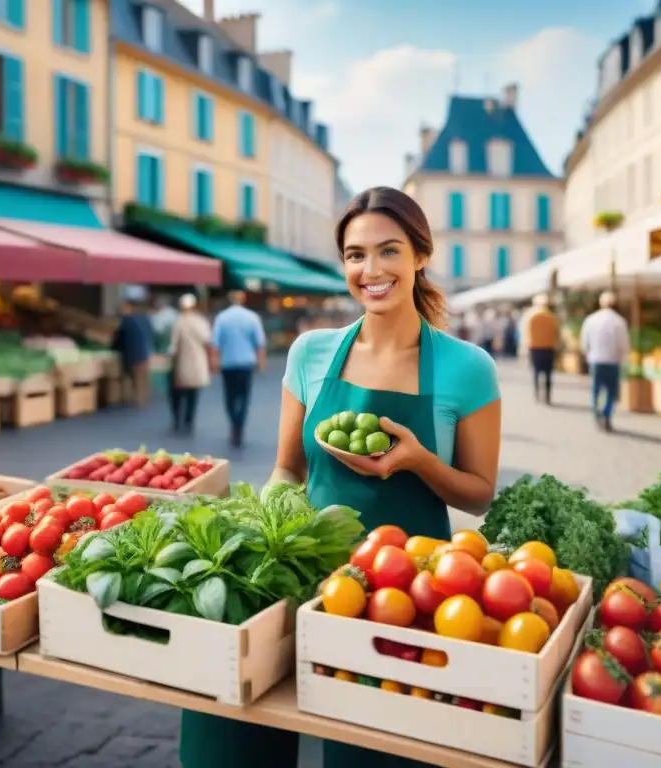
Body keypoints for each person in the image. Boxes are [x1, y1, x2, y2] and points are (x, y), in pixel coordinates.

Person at [179, 187, 503, 768]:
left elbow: (479, 496)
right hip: (306, 574)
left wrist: (419, 461)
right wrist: (262, 520)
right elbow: (287, 467)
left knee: (373, 756)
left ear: (419, 256)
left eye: (388, 251)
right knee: (237, 733)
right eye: (355, 255)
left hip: (407, 594)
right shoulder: (311, 353)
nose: (371, 270)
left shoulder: (467, 367)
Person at [211, 290, 267, 447]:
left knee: (229, 396)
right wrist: (261, 363)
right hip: (245, 364)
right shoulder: (252, 317)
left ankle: (234, 420)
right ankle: (239, 424)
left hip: (227, 364)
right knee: (243, 395)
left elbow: (215, 344)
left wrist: (214, 362)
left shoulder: (221, 318)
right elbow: (259, 343)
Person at [580, 291, 631, 432]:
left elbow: (584, 341)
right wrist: (624, 357)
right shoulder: (619, 321)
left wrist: (587, 354)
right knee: (611, 391)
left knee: (596, 389)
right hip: (613, 361)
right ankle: (607, 414)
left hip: (596, 360)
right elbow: (624, 344)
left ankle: (596, 410)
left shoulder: (591, 320)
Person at [168, 293, 211, 434]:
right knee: (193, 396)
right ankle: (189, 421)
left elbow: (173, 346)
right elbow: (207, 340)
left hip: (182, 363)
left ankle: (177, 420)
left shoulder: (179, 322)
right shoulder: (201, 321)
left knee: (178, 395)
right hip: (197, 363)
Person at [110, 300, 154, 408]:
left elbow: (120, 339)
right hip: (144, 353)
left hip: (132, 354)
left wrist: (113, 347)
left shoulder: (126, 321)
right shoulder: (145, 319)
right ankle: (142, 399)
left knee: (131, 377)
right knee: (142, 377)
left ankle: (134, 399)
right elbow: (151, 334)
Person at [524, 293, 560, 404]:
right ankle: (547, 396)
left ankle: (537, 393)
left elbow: (528, 333)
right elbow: (557, 333)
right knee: (548, 373)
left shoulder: (532, 317)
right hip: (549, 347)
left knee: (536, 372)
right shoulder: (552, 317)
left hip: (535, 348)